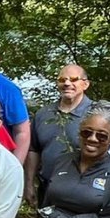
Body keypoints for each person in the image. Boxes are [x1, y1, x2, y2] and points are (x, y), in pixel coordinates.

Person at [25, 64, 92, 207]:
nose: (67, 83)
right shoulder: (43, 114)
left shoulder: (96, 114)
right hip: (47, 190)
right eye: (62, 80)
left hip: (84, 192)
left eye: (74, 79)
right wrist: (29, 183)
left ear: (85, 84)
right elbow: (33, 150)